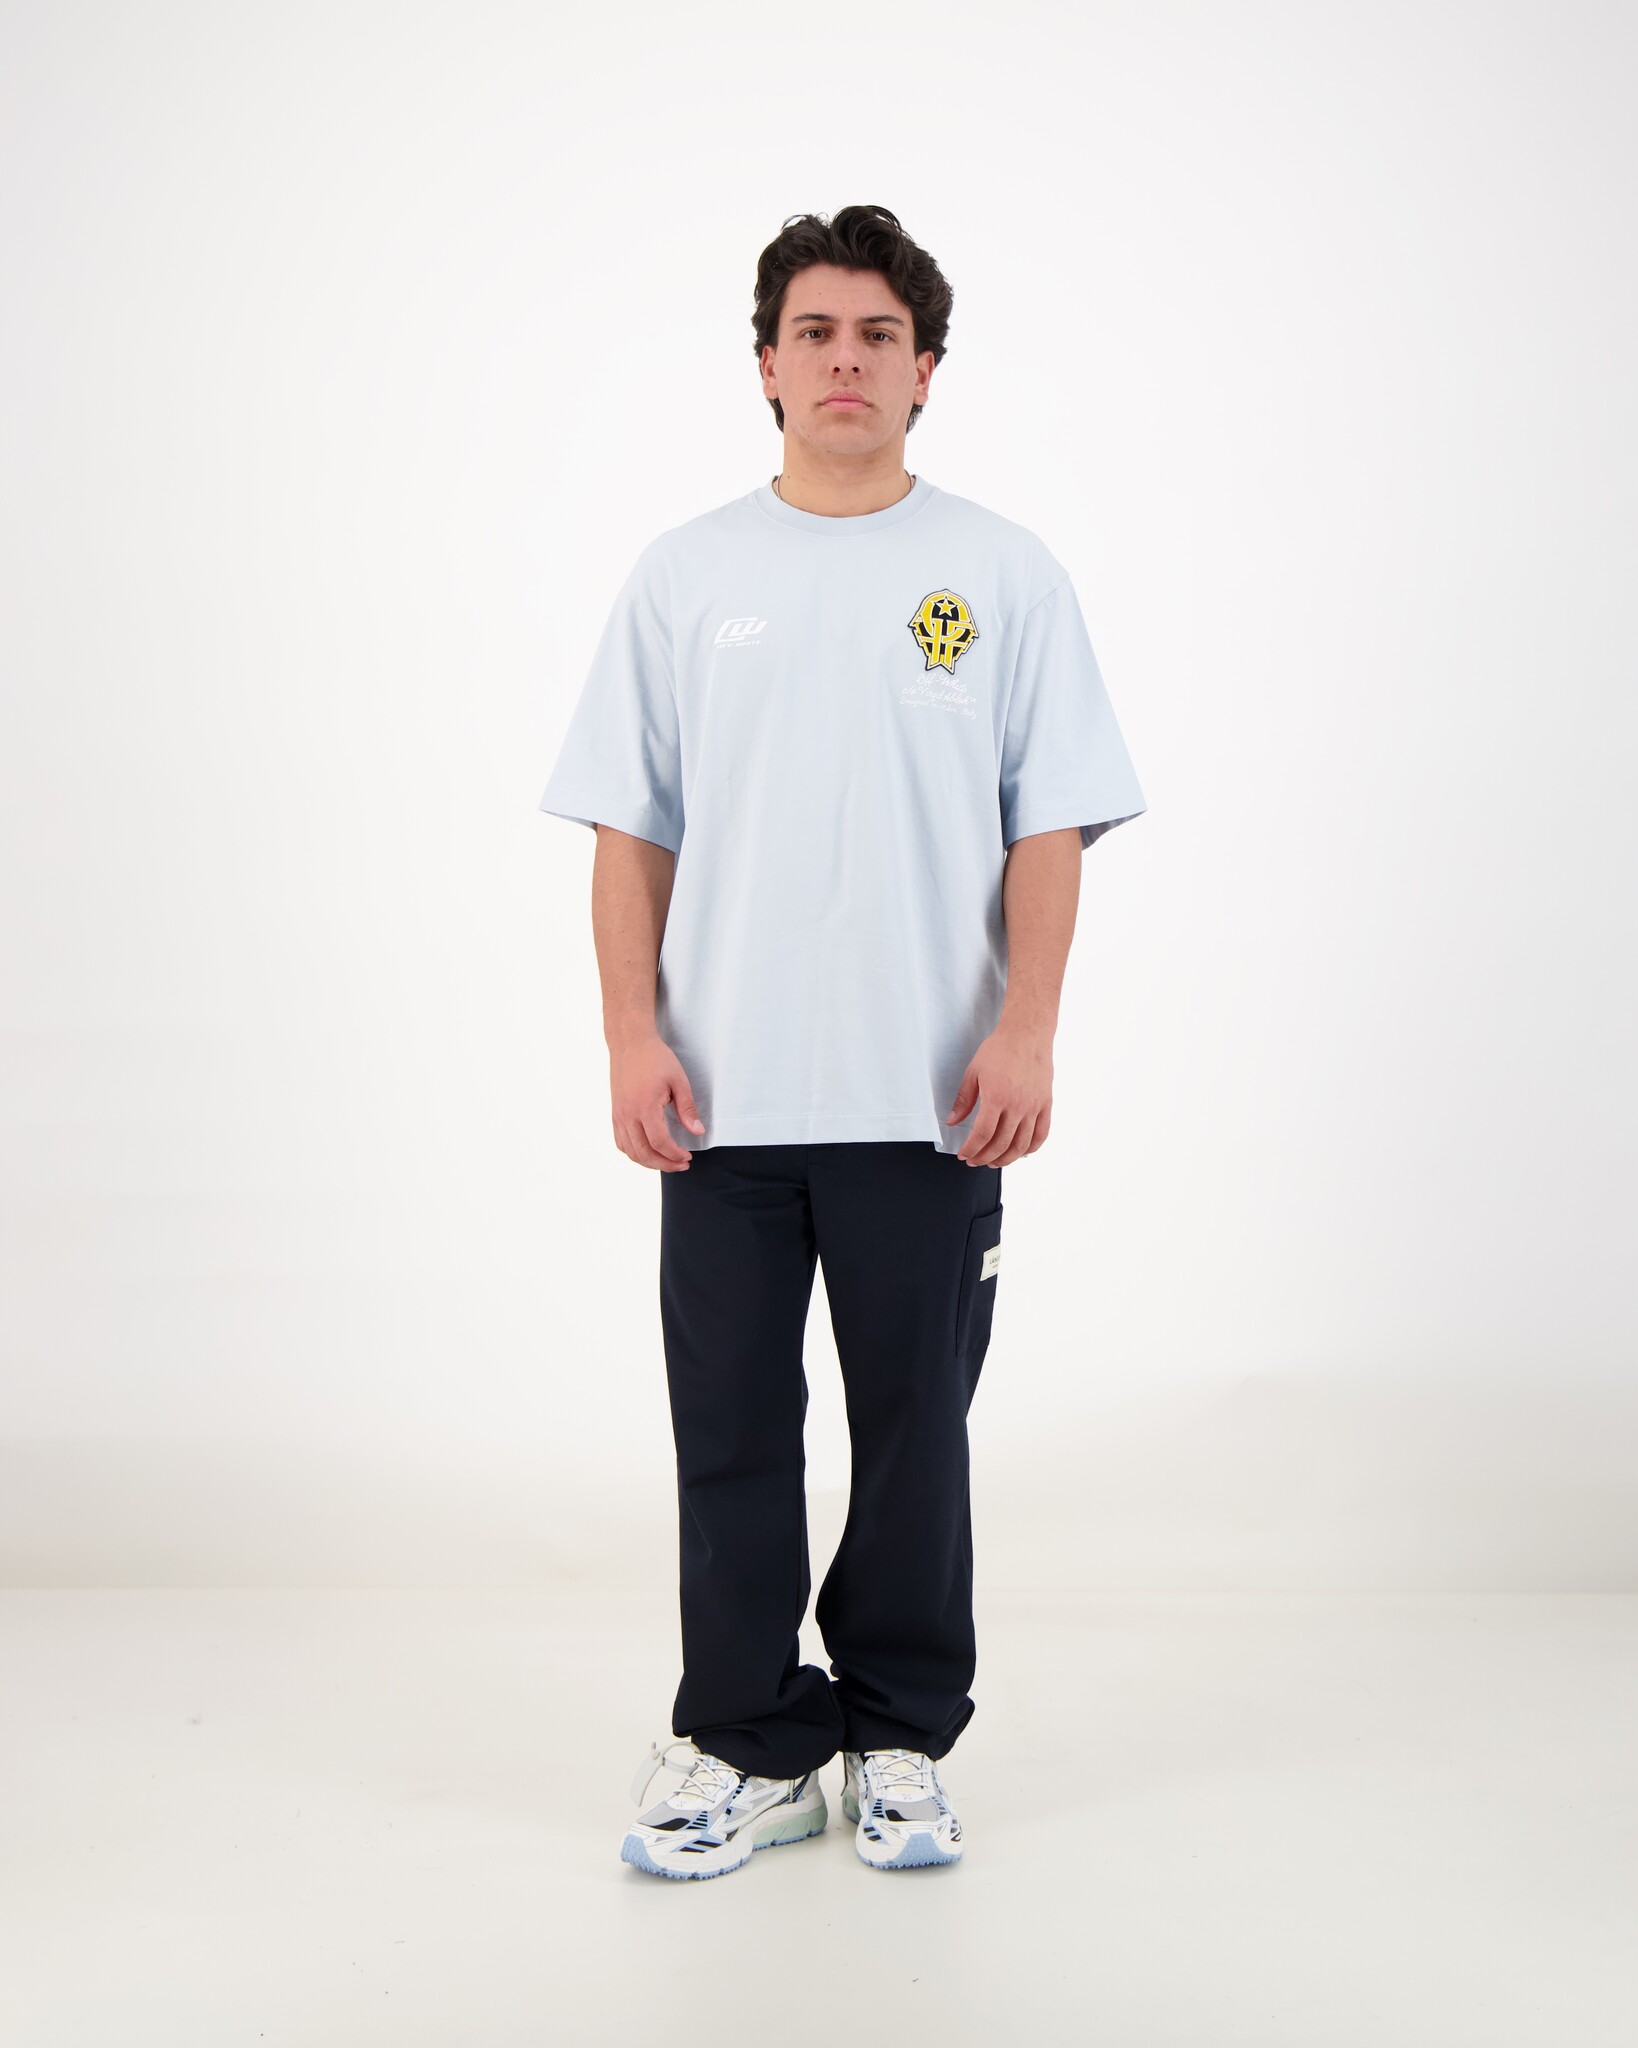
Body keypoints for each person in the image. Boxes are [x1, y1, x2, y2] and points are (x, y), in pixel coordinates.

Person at [537, 204, 1147, 1879]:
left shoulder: (1000, 573)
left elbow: (1047, 823)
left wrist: (1026, 1032)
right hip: (721, 1101)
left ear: (925, 368)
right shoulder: (686, 575)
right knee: (731, 1434)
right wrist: (628, 1036)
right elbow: (630, 827)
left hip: (928, 1101)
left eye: (879, 334)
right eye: (813, 331)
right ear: (766, 365)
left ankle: (896, 1737)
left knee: (914, 1437)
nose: (845, 360)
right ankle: (749, 1739)